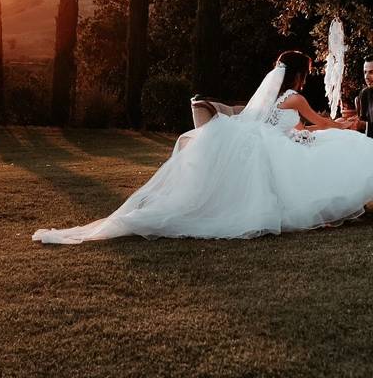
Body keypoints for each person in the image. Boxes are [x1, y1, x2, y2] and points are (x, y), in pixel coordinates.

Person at [33, 50, 373, 244]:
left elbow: (294, 126)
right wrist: (346, 124)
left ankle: (334, 206)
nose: (307, 78)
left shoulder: (276, 98)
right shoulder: (296, 97)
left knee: (327, 147)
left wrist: (314, 130)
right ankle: (338, 205)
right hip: (281, 147)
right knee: (343, 145)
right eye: (307, 72)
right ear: (298, 75)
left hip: (279, 144)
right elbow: (318, 120)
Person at [354, 57, 373, 137]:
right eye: (365, 72)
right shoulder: (364, 93)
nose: (366, 77)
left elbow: (364, 125)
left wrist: (365, 125)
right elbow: (362, 121)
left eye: (371, 72)